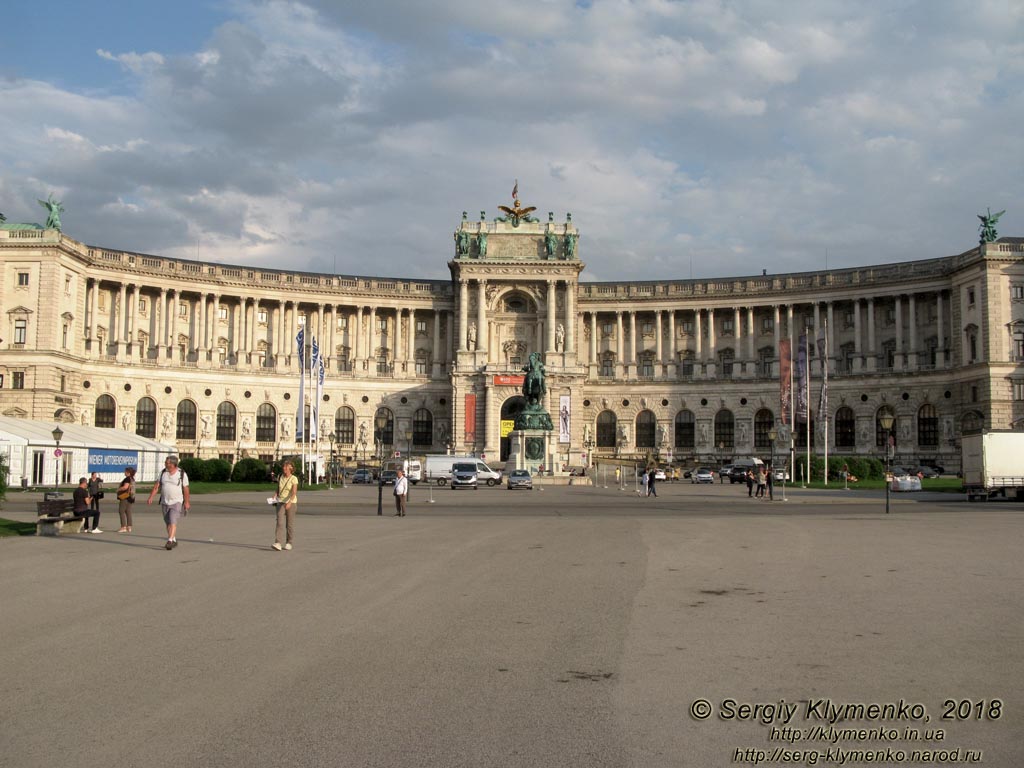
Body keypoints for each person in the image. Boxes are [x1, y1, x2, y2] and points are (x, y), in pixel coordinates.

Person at [147, 455, 190, 550]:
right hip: (165, 501)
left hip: (177, 501)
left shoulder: (181, 474)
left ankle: (170, 540)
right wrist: (151, 497)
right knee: (168, 522)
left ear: (173, 464)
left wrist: (187, 502)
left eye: (167, 463)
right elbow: (156, 486)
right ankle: (173, 539)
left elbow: (186, 488)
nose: (165, 464)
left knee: (173, 520)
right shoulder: (163, 473)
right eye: (166, 462)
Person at [272, 460, 299, 550]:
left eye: (286, 467)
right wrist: (275, 494)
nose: (284, 468)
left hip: (291, 503)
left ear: (290, 468)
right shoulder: (280, 476)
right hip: (280, 502)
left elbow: (294, 492)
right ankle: (278, 543)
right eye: (283, 466)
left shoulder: (294, 478)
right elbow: (279, 488)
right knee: (279, 522)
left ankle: (289, 542)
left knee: (289, 524)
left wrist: (290, 502)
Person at [115, 466, 136, 532]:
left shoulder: (127, 479)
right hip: (131, 497)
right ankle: (129, 527)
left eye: (125, 471)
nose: (124, 472)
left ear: (128, 472)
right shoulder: (132, 479)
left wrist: (118, 489)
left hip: (125, 497)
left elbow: (125, 487)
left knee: (121, 511)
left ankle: (123, 526)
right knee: (128, 512)